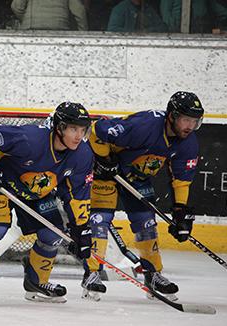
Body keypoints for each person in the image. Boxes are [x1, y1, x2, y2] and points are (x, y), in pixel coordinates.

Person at [0, 102, 94, 304]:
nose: (78, 135)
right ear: (59, 127)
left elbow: (78, 193)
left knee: (53, 233)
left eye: (82, 130)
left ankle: (36, 283)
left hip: (36, 191)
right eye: (73, 128)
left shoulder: (83, 155)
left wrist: (81, 228)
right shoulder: (31, 139)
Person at [81, 91, 203, 301]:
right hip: (105, 174)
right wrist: (105, 159)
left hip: (138, 178)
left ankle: (153, 274)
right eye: (185, 120)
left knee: (146, 224)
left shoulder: (189, 143)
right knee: (99, 221)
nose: (189, 126)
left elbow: (181, 180)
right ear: (172, 116)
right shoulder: (145, 125)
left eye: (194, 121)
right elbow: (97, 130)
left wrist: (180, 211)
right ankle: (92, 274)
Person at [11, 0, 88, 30]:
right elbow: (79, 10)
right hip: (59, 28)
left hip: (31, 29)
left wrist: (24, 20)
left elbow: (16, 6)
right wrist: (83, 32)